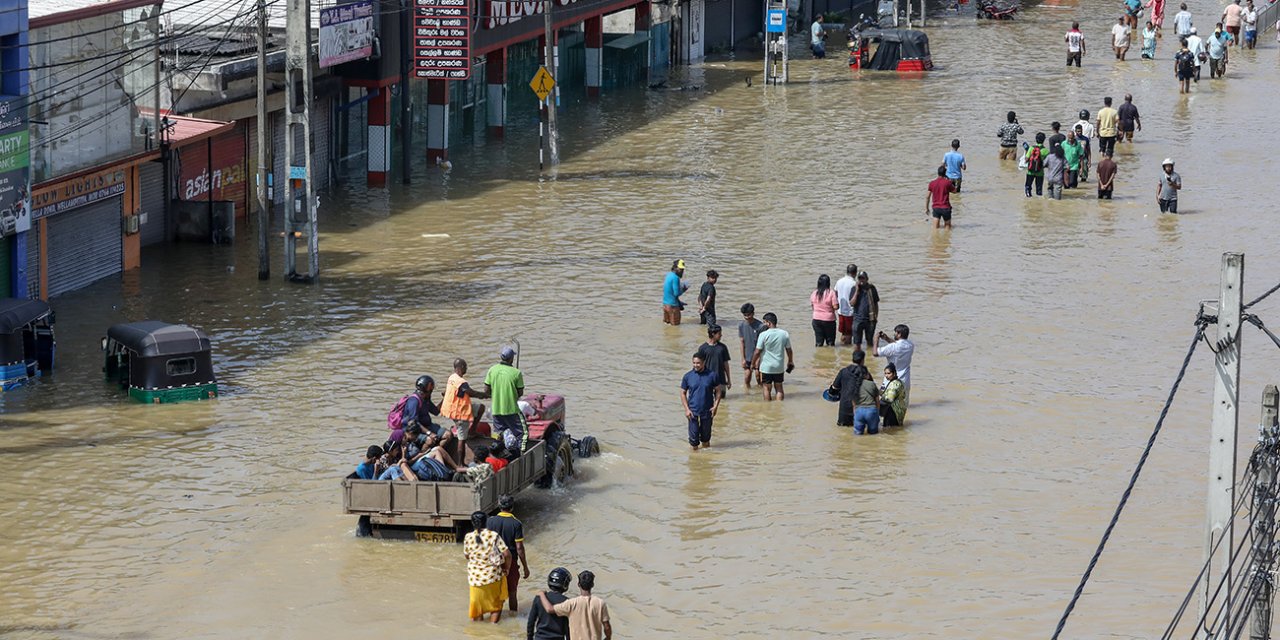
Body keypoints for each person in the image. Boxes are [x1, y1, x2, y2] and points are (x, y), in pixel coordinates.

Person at [536, 570, 612, 640]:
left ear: (578, 584)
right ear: (592, 584)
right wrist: (608, 637)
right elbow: (607, 627)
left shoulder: (571, 603)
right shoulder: (600, 603)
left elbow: (549, 609)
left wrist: (542, 594)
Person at [465, 510, 511, 623]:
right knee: (496, 605)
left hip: (475, 579)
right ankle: (493, 628)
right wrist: (506, 568)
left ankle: (480, 631)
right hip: (493, 577)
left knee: (477, 607)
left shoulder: (468, 537)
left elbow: (467, 555)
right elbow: (507, 554)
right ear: (486, 522)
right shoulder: (494, 536)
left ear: (473, 523)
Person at [488, 495, 530, 613]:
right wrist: (525, 567)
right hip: (510, 563)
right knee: (512, 594)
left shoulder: (490, 521)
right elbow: (519, 548)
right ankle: (513, 618)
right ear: (512, 507)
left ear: (499, 506)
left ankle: (495, 619)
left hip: (494, 563)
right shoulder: (516, 524)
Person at [442, 358, 491, 460]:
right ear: (461, 368)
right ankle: (460, 463)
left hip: (455, 408)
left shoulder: (452, 377)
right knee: (462, 438)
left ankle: (472, 431)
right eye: (466, 367)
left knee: (480, 408)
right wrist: (485, 395)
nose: (466, 369)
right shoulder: (461, 381)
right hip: (459, 412)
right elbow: (472, 393)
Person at [485, 346, 527, 454]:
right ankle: (520, 454)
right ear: (511, 359)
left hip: (496, 409)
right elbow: (520, 392)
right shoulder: (516, 373)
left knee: (499, 433)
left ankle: (498, 453)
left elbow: (486, 390)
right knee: (523, 433)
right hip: (511, 410)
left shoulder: (492, 370)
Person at [828, 350, 876, 433]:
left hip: (845, 408)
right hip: (860, 408)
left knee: (843, 434)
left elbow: (834, 388)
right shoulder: (866, 374)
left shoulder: (843, 371)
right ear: (863, 360)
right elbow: (872, 390)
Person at [680, 352, 721, 449]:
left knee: (706, 441)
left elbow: (718, 391)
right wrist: (687, 409)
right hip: (692, 412)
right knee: (694, 443)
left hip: (707, 411)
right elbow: (683, 393)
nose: (695, 365)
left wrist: (715, 406)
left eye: (698, 363)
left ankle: (705, 461)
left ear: (704, 362)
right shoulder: (688, 376)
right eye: (694, 363)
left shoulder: (712, 375)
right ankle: (695, 461)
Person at [750, 312, 794, 402]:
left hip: (766, 367)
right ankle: (779, 406)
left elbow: (757, 351)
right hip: (779, 366)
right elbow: (789, 350)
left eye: (764, 322)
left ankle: (767, 407)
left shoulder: (763, 335)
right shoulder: (784, 334)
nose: (764, 325)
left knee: (766, 388)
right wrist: (790, 361)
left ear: (768, 323)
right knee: (779, 388)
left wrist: (753, 363)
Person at [527, 568, 572, 640]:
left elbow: (531, 622)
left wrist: (529, 638)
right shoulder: (567, 602)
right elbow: (568, 628)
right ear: (565, 584)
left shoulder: (539, 598)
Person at [874, 324, 915, 392]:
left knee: (887, 401)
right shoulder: (910, 345)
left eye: (895, 332)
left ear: (899, 334)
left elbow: (875, 353)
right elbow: (898, 345)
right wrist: (886, 338)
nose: (894, 334)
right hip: (905, 381)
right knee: (903, 401)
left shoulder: (892, 347)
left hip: (891, 381)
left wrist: (876, 340)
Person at [696, 324, 732, 398]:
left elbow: (726, 364)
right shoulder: (703, 348)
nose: (721, 335)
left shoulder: (723, 347)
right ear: (713, 334)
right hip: (707, 379)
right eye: (719, 333)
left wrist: (728, 380)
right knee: (707, 400)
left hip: (721, 380)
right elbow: (698, 365)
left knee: (722, 402)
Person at [850, 271, 880, 350]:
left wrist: (876, 316)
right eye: (859, 278)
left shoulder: (872, 288)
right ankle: (857, 359)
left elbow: (876, 303)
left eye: (863, 278)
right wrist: (857, 291)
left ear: (867, 279)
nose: (861, 280)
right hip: (858, 319)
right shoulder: (854, 289)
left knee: (870, 341)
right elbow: (852, 303)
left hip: (870, 319)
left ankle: (870, 358)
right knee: (857, 342)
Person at [738, 304, 765, 389]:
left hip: (758, 356)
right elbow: (742, 342)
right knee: (747, 377)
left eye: (748, 315)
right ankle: (747, 394)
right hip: (747, 356)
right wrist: (743, 358)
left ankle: (760, 393)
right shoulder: (741, 325)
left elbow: (764, 344)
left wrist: (759, 358)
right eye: (745, 315)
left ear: (753, 313)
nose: (747, 317)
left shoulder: (760, 326)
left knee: (758, 377)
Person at [810, 274, 838, 347]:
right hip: (829, 320)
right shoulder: (831, 293)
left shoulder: (814, 293)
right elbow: (835, 307)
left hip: (816, 319)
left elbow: (813, 306)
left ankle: (818, 356)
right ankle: (830, 357)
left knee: (819, 342)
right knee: (830, 342)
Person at [834, 264, 858, 345]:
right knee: (849, 334)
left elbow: (835, 294)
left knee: (843, 333)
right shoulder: (854, 284)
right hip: (850, 313)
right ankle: (846, 352)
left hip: (841, 312)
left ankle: (842, 349)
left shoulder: (839, 281)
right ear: (855, 273)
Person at [880, 363, 908, 427]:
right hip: (900, 409)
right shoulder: (899, 382)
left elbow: (890, 398)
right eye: (885, 373)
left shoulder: (894, 384)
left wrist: (881, 397)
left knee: (889, 430)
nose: (886, 375)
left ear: (894, 373)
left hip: (893, 410)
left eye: (889, 373)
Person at [662, 259, 687, 325]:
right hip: (673, 307)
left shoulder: (669, 275)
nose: (682, 271)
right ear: (675, 268)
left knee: (667, 327)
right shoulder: (676, 278)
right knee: (675, 328)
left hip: (665, 305)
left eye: (683, 269)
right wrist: (683, 289)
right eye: (680, 269)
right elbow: (676, 293)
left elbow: (669, 292)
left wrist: (680, 302)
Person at [1024, 132, 1047, 197]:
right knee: (1039, 189)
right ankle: (1038, 202)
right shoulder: (1046, 151)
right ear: (1044, 140)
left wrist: (1026, 151)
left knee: (1028, 186)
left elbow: (1026, 160)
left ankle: (1028, 198)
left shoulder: (1031, 148)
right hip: (1040, 172)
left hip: (1030, 172)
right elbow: (1047, 163)